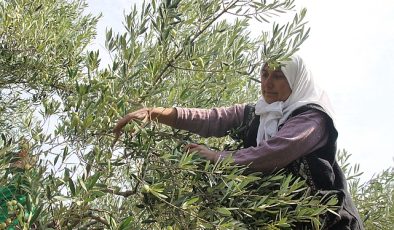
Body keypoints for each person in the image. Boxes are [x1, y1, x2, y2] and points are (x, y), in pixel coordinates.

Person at [113, 55, 364, 229]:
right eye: (264, 74)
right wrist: (154, 113)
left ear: (296, 80)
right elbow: (212, 119)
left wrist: (217, 157)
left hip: (331, 223)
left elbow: (273, 153)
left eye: (278, 76)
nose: (268, 83)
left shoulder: (313, 118)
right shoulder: (258, 113)